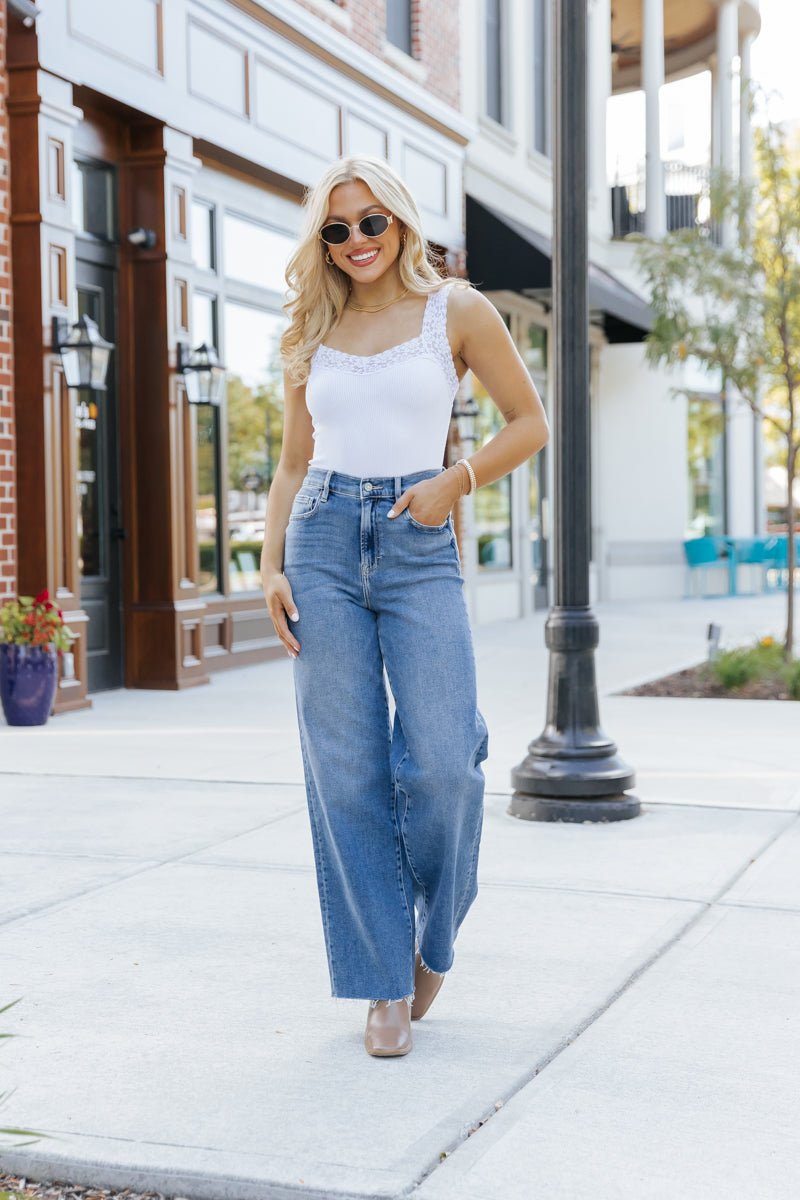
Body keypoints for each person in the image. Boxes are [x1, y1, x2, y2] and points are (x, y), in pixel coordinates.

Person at [261, 154, 549, 1057]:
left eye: (370, 223)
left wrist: (452, 484)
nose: (356, 242)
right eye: (336, 230)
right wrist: (270, 566)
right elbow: (292, 463)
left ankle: (432, 939)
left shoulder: (455, 310)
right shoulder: (312, 327)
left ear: (402, 223)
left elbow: (530, 422)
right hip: (320, 544)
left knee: (444, 762)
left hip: (419, 537)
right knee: (344, 767)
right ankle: (383, 981)